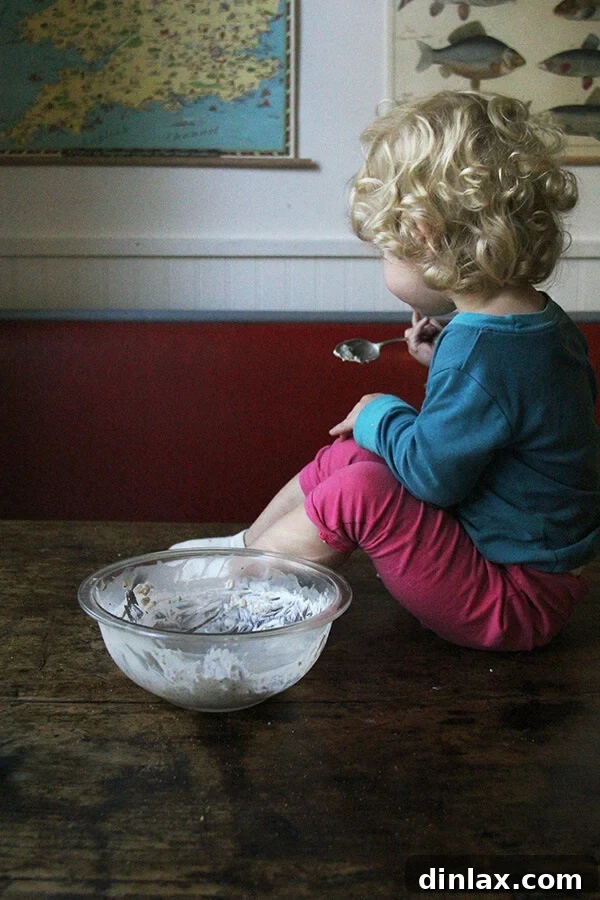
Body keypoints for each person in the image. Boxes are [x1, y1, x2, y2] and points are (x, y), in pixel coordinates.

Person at [173, 90, 600, 651]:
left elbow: (431, 478)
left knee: (361, 486)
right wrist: (439, 363)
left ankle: (231, 591)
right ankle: (244, 548)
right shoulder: (541, 322)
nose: (384, 261)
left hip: (513, 601)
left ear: (424, 234)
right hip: (533, 576)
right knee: (353, 456)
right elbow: (513, 412)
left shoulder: (480, 353)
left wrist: (381, 411)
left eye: (384, 249)